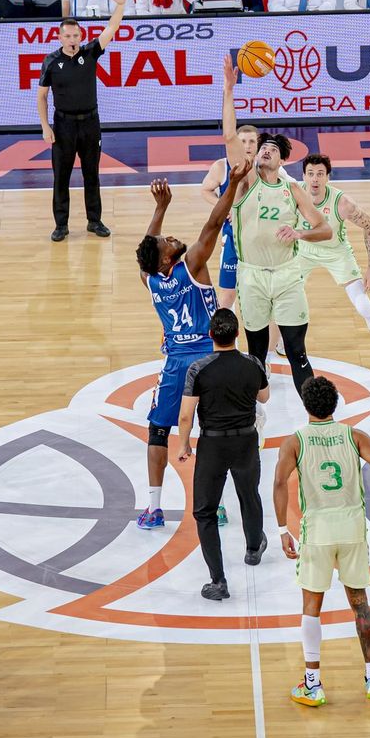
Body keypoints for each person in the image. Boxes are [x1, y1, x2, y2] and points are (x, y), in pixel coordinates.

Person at [273, 375, 370, 705]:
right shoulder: (355, 436)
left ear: (306, 405)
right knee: (360, 603)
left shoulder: (295, 441)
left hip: (318, 531)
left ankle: (313, 684)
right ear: (335, 404)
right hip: (352, 528)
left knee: (312, 608)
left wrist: (282, 529)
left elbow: (280, 483)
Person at [133, 163, 251, 530]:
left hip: (174, 363)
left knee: (157, 432)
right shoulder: (193, 263)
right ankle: (213, 506)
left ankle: (153, 509)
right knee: (212, 433)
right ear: (169, 258)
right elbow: (214, 224)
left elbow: (147, 251)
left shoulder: (151, 279)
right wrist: (231, 185)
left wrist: (160, 208)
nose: (171, 237)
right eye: (168, 240)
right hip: (209, 359)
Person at [220, 55, 332, 396]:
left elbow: (324, 228)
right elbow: (228, 136)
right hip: (251, 274)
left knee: (297, 352)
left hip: (286, 274)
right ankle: (255, 416)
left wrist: (300, 232)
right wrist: (228, 89)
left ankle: (318, 418)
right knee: (255, 355)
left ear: (282, 160)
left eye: (271, 149)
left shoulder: (292, 189)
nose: (264, 151)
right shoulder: (245, 180)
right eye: (262, 148)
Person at [294, 155, 370, 390]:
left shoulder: (342, 202)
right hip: (303, 250)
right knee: (282, 301)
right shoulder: (294, 193)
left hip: (337, 253)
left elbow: (369, 224)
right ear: (303, 176)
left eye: (320, 174)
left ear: (328, 177)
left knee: (364, 307)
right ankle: (270, 358)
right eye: (311, 173)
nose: (315, 179)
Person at [176, 308, 271, 600]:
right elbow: (264, 397)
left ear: (210, 336)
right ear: (237, 334)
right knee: (249, 494)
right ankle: (254, 548)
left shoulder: (198, 369)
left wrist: (183, 445)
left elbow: (185, 416)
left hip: (213, 445)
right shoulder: (252, 363)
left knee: (205, 511)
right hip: (245, 441)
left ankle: (218, 581)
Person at [38, 3, 126, 241]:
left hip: (90, 123)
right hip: (63, 126)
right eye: (67, 35)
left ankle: (94, 221)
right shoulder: (50, 62)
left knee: (91, 174)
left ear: (81, 36)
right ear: (59, 37)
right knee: (61, 177)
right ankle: (61, 225)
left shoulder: (90, 53)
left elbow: (113, 27)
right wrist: (46, 126)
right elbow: (42, 96)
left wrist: (120, 5)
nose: (72, 39)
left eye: (75, 35)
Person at [199, 121, 259, 309]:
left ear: (258, 144)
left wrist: (241, 208)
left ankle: (273, 338)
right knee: (228, 294)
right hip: (233, 238)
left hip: (259, 238)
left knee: (259, 294)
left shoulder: (267, 168)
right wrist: (224, 206)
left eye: (251, 142)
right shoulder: (221, 167)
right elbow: (206, 190)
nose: (247, 146)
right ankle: (225, 338)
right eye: (243, 142)